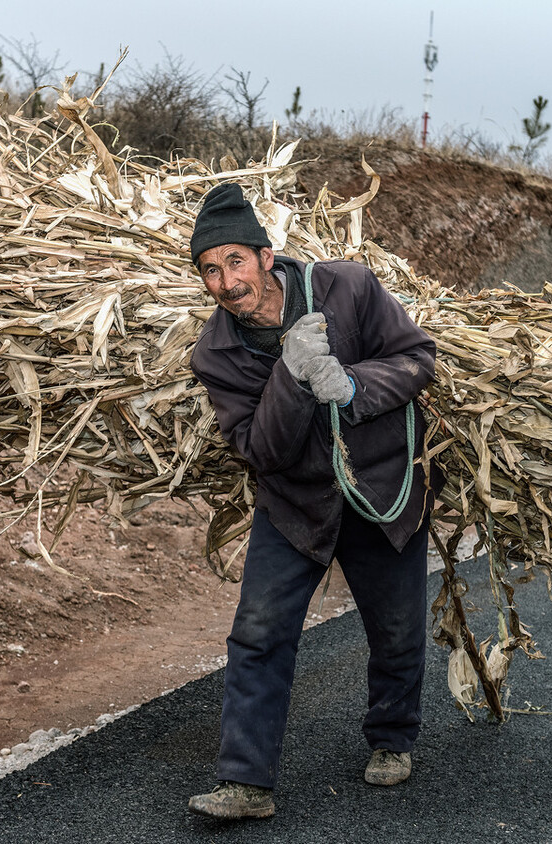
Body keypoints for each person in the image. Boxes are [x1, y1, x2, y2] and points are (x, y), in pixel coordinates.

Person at [186, 182, 440, 820]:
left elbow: (417, 359)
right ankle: (246, 782)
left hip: (381, 488)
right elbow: (260, 450)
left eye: (235, 261)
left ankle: (392, 736)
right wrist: (292, 377)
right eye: (210, 271)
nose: (225, 282)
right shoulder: (216, 354)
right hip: (296, 502)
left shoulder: (347, 288)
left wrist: (350, 383)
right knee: (259, 632)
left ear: (266, 258)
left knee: (398, 626)